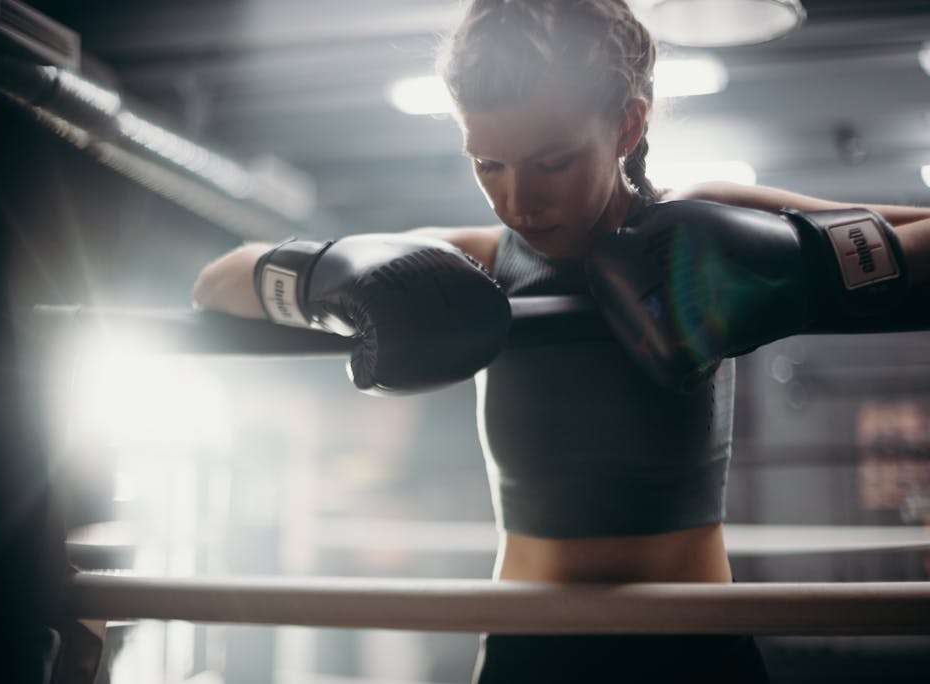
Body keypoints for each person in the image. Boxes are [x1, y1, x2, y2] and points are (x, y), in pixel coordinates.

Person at [192, 1, 930, 681]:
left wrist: (799, 268)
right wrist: (332, 278)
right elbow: (219, 281)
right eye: (489, 164)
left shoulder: (708, 222)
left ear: (628, 126)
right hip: (529, 647)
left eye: (552, 162)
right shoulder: (475, 260)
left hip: (695, 642)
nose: (519, 199)